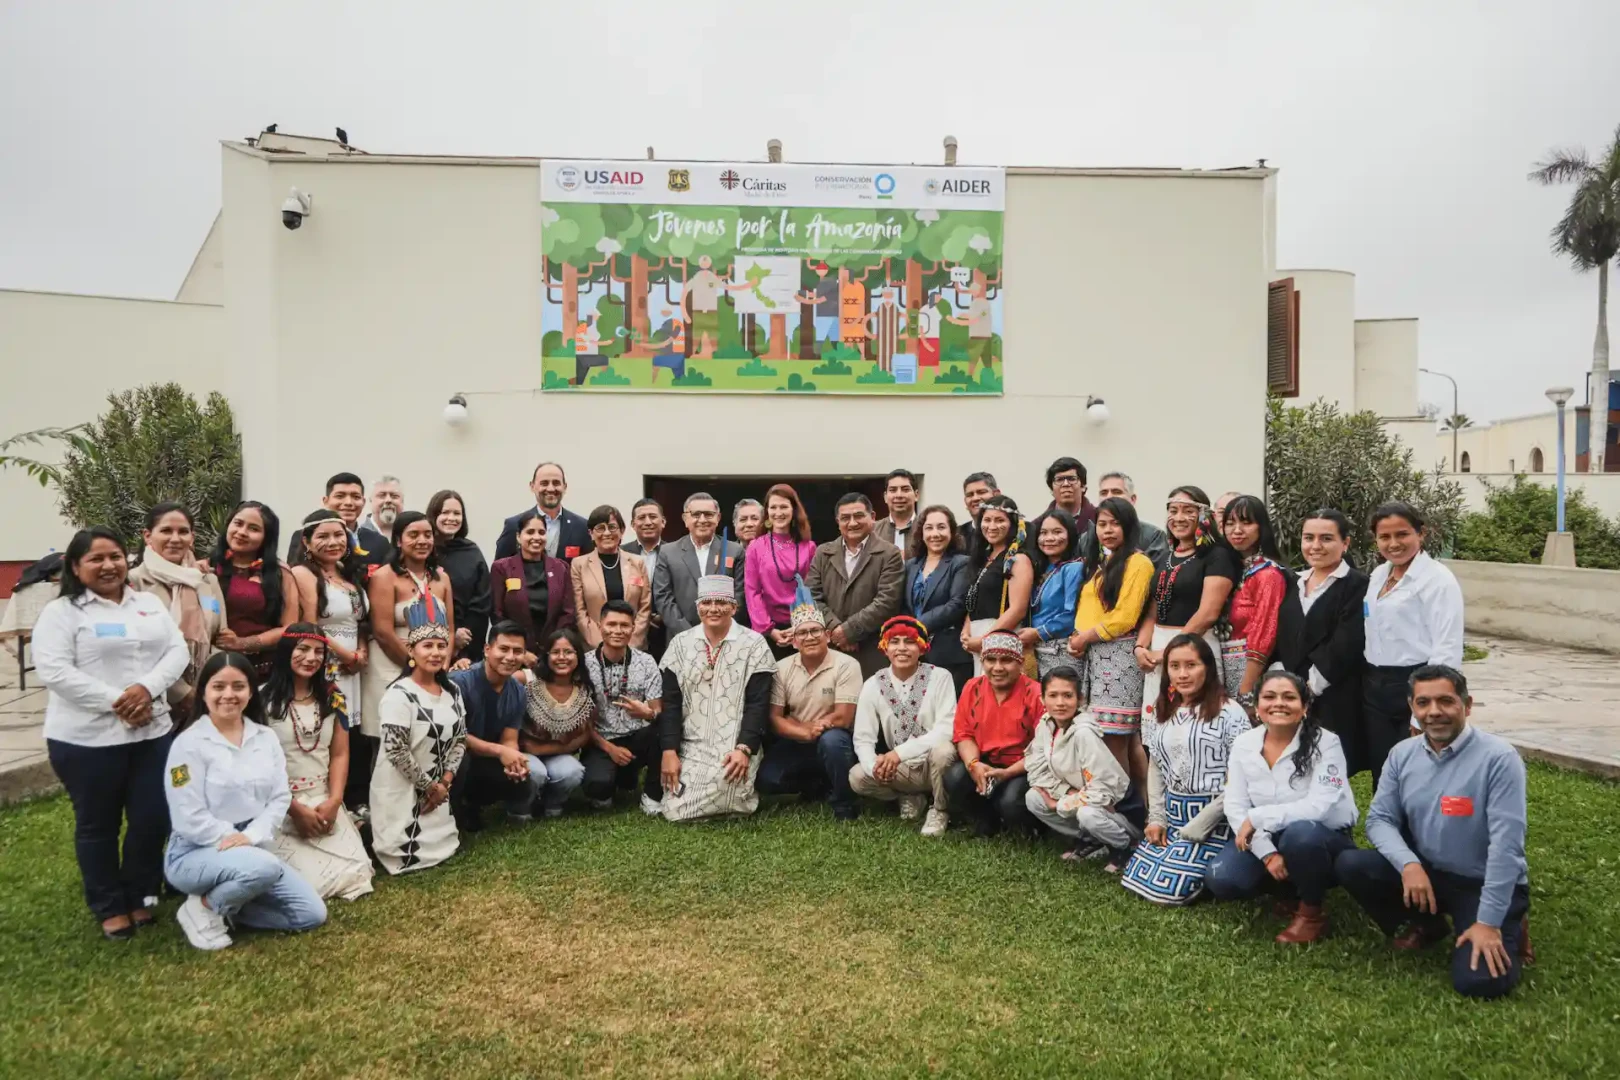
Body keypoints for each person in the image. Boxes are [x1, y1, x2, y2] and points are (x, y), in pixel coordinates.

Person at [1335, 666, 1530, 999]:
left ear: (1467, 705)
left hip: (1479, 884)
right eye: (1423, 703)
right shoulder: (1402, 754)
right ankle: (1428, 923)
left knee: (1480, 982)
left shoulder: (1499, 758)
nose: (1434, 712)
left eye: (1446, 701)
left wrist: (1488, 923)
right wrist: (1409, 865)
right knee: (1352, 865)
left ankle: (1511, 925)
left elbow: (1506, 848)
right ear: (1412, 707)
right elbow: (1380, 819)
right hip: (1428, 873)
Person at [34, 527, 188, 940]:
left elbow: (177, 650)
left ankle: (138, 892)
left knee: (153, 816)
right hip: (87, 740)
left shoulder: (148, 604)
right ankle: (107, 904)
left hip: (151, 733)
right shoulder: (62, 612)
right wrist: (119, 700)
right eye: (96, 559)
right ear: (75, 566)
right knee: (97, 824)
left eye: (116, 556)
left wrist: (146, 690)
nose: (109, 565)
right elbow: (55, 671)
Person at [164, 652, 327, 950]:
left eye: (238, 686)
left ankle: (226, 906)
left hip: (252, 845)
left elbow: (279, 798)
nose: (229, 694)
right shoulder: (188, 744)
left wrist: (249, 837)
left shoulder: (265, 738)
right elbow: (187, 814)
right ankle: (203, 908)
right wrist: (233, 838)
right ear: (203, 691)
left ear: (251, 692)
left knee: (310, 914)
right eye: (218, 687)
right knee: (264, 867)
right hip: (196, 851)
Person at [1208, 671, 1357, 943]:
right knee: (1223, 878)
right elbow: (1235, 804)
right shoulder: (1245, 743)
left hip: (1321, 837)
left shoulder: (1327, 742)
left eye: (1289, 697)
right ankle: (1287, 890)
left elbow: (1319, 808)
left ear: (1305, 706)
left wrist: (1258, 817)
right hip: (1269, 835)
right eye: (1269, 697)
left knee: (1300, 835)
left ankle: (1312, 911)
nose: (1279, 703)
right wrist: (1266, 853)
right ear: (1256, 705)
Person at [1120, 633, 1251, 906]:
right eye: (1174, 666)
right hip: (1174, 815)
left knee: (1172, 890)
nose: (1182, 674)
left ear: (1208, 667)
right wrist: (1156, 818)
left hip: (1217, 818)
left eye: (1191, 665)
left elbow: (1244, 778)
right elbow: (1156, 766)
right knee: (1136, 877)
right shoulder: (1165, 711)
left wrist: (1202, 823)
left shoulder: (1230, 713)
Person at [260, 626, 374, 901]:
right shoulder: (262, 701)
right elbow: (256, 766)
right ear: (287, 651)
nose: (311, 658)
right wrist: (294, 809)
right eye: (303, 649)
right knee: (302, 885)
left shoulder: (334, 698)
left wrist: (335, 801)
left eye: (319, 652)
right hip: (280, 804)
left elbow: (339, 754)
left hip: (323, 800)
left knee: (359, 872)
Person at [655, 575, 778, 822]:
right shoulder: (680, 644)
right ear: (698, 606)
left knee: (727, 781)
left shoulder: (754, 645)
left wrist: (745, 749)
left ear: (734, 607)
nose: (714, 609)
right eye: (707, 602)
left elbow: (758, 704)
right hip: (692, 743)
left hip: (734, 743)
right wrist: (669, 751)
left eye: (721, 602)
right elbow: (670, 704)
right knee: (674, 811)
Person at [1362, 502, 1465, 784]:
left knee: (1417, 769)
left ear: (1421, 534)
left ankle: (1420, 827)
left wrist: (1424, 709)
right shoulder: (1378, 575)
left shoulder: (1437, 580)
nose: (1394, 544)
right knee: (1382, 769)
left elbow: (1447, 647)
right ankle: (1384, 825)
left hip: (1414, 682)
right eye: (1385, 537)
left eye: (1402, 534)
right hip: (1375, 686)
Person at [371, 590, 467, 874]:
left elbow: (460, 739)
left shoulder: (453, 691)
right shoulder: (399, 694)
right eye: (428, 646)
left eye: (441, 645)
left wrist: (445, 782)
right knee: (405, 851)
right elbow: (396, 750)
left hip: (438, 790)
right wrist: (429, 787)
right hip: (401, 789)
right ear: (411, 651)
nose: (436, 653)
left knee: (446, 844)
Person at [1067, 497, 1155, 786]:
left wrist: (1085, 638)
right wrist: (1077, 639)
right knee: (1120, 740)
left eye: (1115, 524)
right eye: (1102, 524)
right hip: (1095, 654)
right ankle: (1136, 807)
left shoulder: (1138, 562)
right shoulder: (1102, 563)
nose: (1107, 530)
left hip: (1119, 657)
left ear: (1129, 527)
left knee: (1116, 739)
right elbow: (1088, 610)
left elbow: (1125, 617)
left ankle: (1123, 806)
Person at [1276, 509, 1369, 775]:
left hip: (1333, 696)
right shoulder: (1294, 582)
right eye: (1309, 538)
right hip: (1290, 697)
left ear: (1345, 543)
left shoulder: (1357, 586)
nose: (1315, 546)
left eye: (1326, 538)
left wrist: (1308, 688)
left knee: (1329, 773)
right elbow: (1283, 637)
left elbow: (1347, 642)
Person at [1134, 486, 1238, 724]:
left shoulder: (1217, 556)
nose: (1179, 518)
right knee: (1160, 721)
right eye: (1173, 510)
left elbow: (1208, 613)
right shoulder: (1165, 557)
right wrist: (1140, 647)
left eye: (1187, 511)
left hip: (1195, 647)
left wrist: (1170, 652)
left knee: (1197, 721)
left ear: (1203, 516)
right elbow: (1153, 610)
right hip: (1158, 649)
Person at [289, 510, 371, 811]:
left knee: (354, 734)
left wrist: (361, 650)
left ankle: (355, 801)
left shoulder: (348, 573)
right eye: (322, 536)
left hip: (356, 667)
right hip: (325, 663)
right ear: (306, 542)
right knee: (332, 732)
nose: (333, 541)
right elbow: (310, 626)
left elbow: (360, 621)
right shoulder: (303, 574)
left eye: (339, 535)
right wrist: (346, 654)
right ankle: (327, 799)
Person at [849, 615, 960, 837]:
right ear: (885, 648)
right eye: (895, 641)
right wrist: (875, 767)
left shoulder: (940, 677)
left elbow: (947, 729)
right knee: (857, 776)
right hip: (899, 770)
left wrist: (898, 753)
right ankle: (910, 796)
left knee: (944, 751)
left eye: (909, 641)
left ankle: (939, 808)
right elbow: (863, 738)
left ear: (922, 647)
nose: (902, 648)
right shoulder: (873, 684)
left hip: (933, 765)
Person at [756, 598, 864, 821]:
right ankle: (817, 786)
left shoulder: (847, 665)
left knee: (832, 741)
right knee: (766, 779)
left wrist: (815, 727)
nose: (810, 637)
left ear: (826, 635)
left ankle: (844, 803)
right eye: (802, 633)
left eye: (815, 630)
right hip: (797, 739)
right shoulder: (782, 668)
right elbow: (775, 718)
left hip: (836, 738)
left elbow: (843, 717)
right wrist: (803, 732)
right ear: (794, 641)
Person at [365, 511, 456, 778]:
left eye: (427, 535)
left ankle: (425, 799)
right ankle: (382, 806)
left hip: (432, 667)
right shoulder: (384, 577)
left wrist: (441, 665)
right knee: (388, 742)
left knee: (425, 736)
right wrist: (416, 666)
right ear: (398, 541)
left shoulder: (442, 579)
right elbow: (382, 631)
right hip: (391, 666)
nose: (422, 540)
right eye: (413, 535)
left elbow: (449, 629)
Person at [1022, 666, 1139, 863]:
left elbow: (1102, 792)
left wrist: (1060, 803)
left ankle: (1126, 846)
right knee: (1033, 798)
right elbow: (1035, 770)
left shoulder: (1084, 732)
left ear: (1080, 700)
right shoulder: (1045, 724)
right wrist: (1066, 792)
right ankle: (1093, 840)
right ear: (1042, 699)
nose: (1060, 703)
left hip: (1118, 810)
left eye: (1067, 695)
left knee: (1087, 814)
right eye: (1053, 695)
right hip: (1081, 796)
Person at [128, 502, 225, 723]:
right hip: (153, 698)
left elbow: (220, 638)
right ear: (147, 535)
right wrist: (181, 693)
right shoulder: (133, 582)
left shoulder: (207, 581)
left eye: (183, 531)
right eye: (165, 531)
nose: (175, 538)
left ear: (192, 537)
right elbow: (137, 648)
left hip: (205, 696)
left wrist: (206, 689)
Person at [943, 631, 1043, 837]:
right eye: (990, 659)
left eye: (1006, 660)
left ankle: (1028, 828)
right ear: (982, 661)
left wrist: (1008, 773)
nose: (997, 667)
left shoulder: (1036, 693)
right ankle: (986, 819)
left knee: (1010, 801)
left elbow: (1042, 750)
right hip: (985, 762)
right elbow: (963, 734)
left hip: (1023, 767)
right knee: (954, 778)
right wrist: (973, 764)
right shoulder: (972, 687)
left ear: (1021, 663)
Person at [448, 621, 544, 828]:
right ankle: (453, 811)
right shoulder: (459, 682)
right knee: (461, 759)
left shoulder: (517, 690)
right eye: (504, 649)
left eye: (517, 651)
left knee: (523, 783)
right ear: (487, 650)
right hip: (452, 757)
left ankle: (473, 804)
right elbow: (456, 735)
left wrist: (514, 763)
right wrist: (501, 752)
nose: (510, 657)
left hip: (485, 757)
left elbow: (509, 739)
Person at [804, 493, 905, 678]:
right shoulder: (823, 552)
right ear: (837, 521)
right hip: (830, 648)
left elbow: (887, 601)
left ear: (872, 517)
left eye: (858, 516)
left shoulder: (889, 554)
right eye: (845, 518)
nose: (852, 523)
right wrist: (836, 630)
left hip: (871, 649)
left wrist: (849, 631)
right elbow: (811, 595)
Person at [580, 600, 665, 813]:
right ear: (600, 626)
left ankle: (652, 793)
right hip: (601, 740)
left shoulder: (646, 662)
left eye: (624, 625)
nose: (618, 631)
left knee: (664, 731)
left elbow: (658, 709)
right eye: (612, 624)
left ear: (633, 628)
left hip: (637, 735)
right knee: (598, 786)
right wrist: (610, 749)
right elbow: (582, 722)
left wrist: (647, 712)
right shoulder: (584, 664)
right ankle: (614, 779)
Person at [210, 501, 298, 681]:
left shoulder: (280, 574)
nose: (242, 532)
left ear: (267, 537)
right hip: (213, 666)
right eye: (238, 523)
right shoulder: (207, 568)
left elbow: (290, 627)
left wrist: (243, 643)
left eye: (254, 529)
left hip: (263, 670)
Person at [1220, 495, 1290, 705]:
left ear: (1262, 527)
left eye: (1246, 522)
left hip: (1248, 670)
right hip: (1221, 666)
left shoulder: (1268, 575)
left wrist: (1247, 689)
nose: (1237, 530)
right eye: (1230, 523)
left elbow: (1264, 633)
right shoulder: (1229, 569)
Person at [651, 492, 745, 639]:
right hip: (681, 638)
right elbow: (663, 597)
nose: (702, 520)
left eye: (708, 514)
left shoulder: (734, 551)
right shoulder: (668, 552)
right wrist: (688, 633)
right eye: (696, 514)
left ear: (718, 518)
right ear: (685, 519)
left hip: (723, 637)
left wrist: (720, 628)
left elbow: (739, 595)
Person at [520, 628, 593, 816]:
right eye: (556, 652)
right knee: (535, 772)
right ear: (546, 656)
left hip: (556, 753)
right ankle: (521, 805)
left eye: (568, 652)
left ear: (578, 656)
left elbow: (585, 734)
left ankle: (552, 803)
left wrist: (544, 749)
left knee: (572, 771)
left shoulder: (584, 688)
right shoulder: (526, 679)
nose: (562, 657)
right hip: (521, 752)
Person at [904, 505, 973, 696]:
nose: (935, 534)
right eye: (929, 528)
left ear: (951, 531)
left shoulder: (961, 563)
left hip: (949, 654)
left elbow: (956, 604)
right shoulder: (910, 565)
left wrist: (916, 626)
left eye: (941, 527)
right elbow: (903, 604)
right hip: (913, 653)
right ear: (921, 532)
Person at [960, 495, 1033, 674]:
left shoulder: (1017, 559)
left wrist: (987, 639)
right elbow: (974, 598)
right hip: (978, 639)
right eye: (987, 520)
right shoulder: (982, 559)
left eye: (1000, 520)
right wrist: (966, 632)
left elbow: (1018, 609)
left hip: (1001, 636)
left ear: (1013, 524)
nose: (992, 526)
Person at [744, 483, 818, 659]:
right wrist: (769, 629)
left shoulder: (809, 547)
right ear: (767, 512)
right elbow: (752, 591)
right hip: (769, 629)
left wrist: (802, 625)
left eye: (784, 507)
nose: (778, 513)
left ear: (794, 510)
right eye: (773, 507)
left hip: (803, 627)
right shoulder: (756, 546)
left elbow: (813, 590)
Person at [489, 510, 577, 656]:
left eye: (541, 532)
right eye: (530, 532)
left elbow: (568, 612)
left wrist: (553, 646)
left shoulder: (561, 568)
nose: (536, 537)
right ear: (518, 536)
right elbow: (497, 614)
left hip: (553, 653)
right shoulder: (502, 568)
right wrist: (520, 651)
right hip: (513, 653)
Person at [571, 505, 652, 649]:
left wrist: (631, 643)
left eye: (612, 527)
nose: (607, 533)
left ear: (622, 531)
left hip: (633, 647)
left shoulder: (637, 562)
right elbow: (580, 611)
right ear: (591, 533)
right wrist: (601, 645)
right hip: (594, 648)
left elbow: (645, 607)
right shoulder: (579, 565)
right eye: (600, 528)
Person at [428, 489, 491, 665]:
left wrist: (463, 635)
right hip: (429, 640)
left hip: (467, 644)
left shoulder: (472, 552)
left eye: (457, 513)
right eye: (445, 512)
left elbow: (481, 600)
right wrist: (448, 636)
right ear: (433, 515)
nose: (451, 518)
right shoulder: (424, 550)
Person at [1019, 510, 1085, 677]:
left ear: (1070, 534)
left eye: (1057, 532)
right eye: (1043, 533)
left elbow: (1071, 615)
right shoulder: (1040, 569)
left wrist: (1037, 633)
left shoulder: (1074, 568)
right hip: (1037, 650)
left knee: (1061, 702)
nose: (1049, 538)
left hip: (1061, 651)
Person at [285, 473, 391, 568]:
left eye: (356, 497)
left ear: (363, 502)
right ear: (326, 501)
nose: (348, 502)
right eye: (340, 496)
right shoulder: (304, 537)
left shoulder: (379, 542)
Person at [495, 462, 591, 562]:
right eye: (544, 483)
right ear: (532, 486)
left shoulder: (582, 527)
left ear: (565, 487)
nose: (550, 489)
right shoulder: (514, 525)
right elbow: (499, 569)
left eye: (556, 483)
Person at [1083, 471, 1171, 568]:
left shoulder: (1154, 536)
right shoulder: (1086, 539)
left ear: (1133, 499)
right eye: (1104, 493)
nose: (1109, 497)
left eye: (1117, 492)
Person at [623, 497, 669, 658]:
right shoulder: (621, 553)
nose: (648, 522)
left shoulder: (676, 553)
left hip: (666, 631)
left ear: (663, 522)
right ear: (633, 524)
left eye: (653, 516)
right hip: (630, 630)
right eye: (641, 518)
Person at [1044, 457, 1098, 533]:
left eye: (1071, 479)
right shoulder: (1038, 526)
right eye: (1059, 480)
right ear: (1052, 490)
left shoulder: (1100, 521)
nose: (1066, 484)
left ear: (1083, 486)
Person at [873, 468, 920, 553]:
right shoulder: (873, 531)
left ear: (916, 495)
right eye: (893, 490)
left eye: (905, 489)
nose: (899, 495)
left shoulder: (926, 528)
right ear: (885, 497)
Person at [958, 471, 1000, 551]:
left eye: (981, 492)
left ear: (996, 495)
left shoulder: (1019, 531)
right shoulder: (956, 535)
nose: (975, 498)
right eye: (970, 495)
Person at [359, 475, 403, 540]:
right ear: (371, 500)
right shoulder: (358, 536)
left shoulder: (410, 535)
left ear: (402, 501)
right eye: (382, 495)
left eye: (394, 496)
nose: (388, 500)